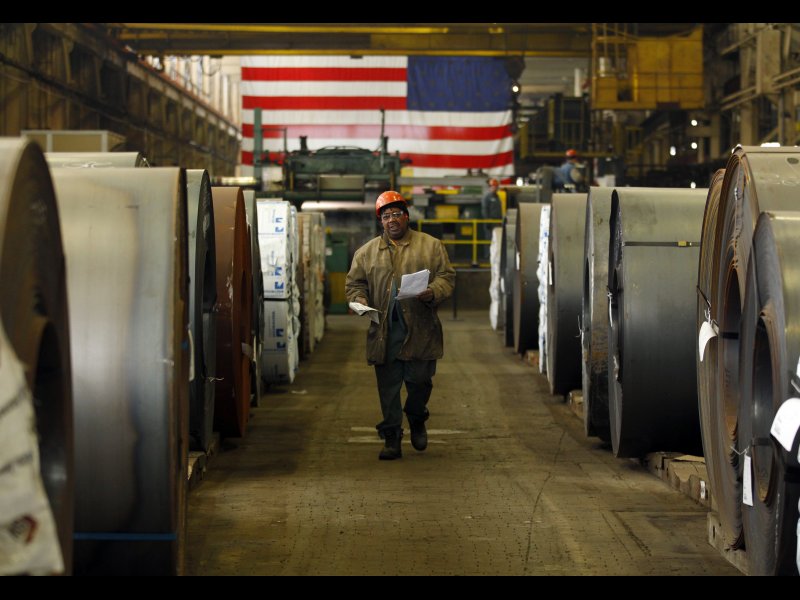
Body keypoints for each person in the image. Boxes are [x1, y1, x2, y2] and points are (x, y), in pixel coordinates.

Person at [345, 191, 456, 460]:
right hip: (385, 331)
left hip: (419, 327)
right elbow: (355, 284)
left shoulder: (430, 246)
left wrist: (433, 291)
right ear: (380, 222)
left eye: (396, 214)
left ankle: (417, 418)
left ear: (406, 216)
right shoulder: (366, 253)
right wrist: (359, 299)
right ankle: (392, 437)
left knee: (419, 382)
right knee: (389, 388)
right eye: (386, 216)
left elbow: (447, 277)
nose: (392, 220)